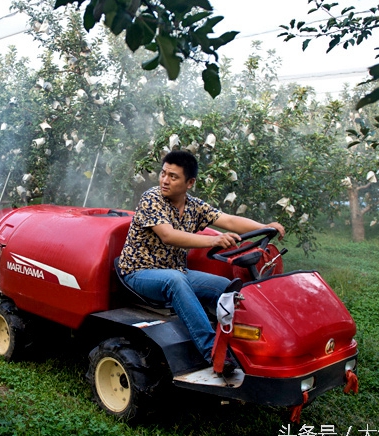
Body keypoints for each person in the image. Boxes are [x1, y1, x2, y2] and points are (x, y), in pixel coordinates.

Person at [117, 150, 285, 375]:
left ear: (190, 183)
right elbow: (168, 235)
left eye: (173, 176)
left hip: (176, 271)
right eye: (163, 173)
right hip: (139, 272)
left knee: (228, 287)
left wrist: (265, 226)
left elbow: (229, 220)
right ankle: (213, 353)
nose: (165, 180)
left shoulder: (194, 206)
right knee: (175, 281)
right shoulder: (152, 198)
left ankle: (256, 345)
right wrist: (213, 240)